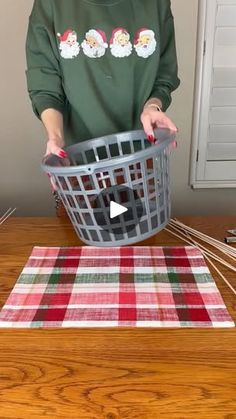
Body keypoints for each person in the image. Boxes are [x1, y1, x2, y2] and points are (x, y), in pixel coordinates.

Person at [26, 0, 180, 211]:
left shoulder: (155, 4)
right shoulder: (51, 5)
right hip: (78, 165)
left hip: (139, 161)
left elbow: (164, 75)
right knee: (77, 240)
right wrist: (56, 138)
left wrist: (153, 106)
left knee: (143, 239)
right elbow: (45, 84)